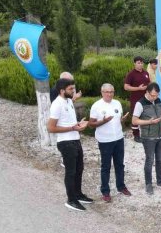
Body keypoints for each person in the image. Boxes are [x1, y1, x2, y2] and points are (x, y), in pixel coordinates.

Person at [46, 78, 93, 211]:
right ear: (62, 91)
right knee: (71, 172)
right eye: (71, 89)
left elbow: (68, 122)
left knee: (79, 169)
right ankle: (71, 200)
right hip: (66, 142)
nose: (74, 91)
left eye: (73, 88)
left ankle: (78, 194)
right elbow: (50, 128)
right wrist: (72, 128)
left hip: (75, 139)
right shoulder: (57, 104)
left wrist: (78, 124)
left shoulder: (68, 101)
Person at [88, 83, 132, 202]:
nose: (109, 94)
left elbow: (119, 120)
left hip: (118, 138)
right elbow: (91, 124)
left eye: (111, 92)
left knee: (120, 164)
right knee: (106, 166)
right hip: (105, 140)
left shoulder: (117, 103)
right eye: (107, 92)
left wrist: (122, 120)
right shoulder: (96, 106)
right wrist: (103, 121)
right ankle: (105, 191)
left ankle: (121, 186)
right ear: (102, 92)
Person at [132, 82, 161, 195]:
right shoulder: (140, 104)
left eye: (157, 95)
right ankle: (148, 184)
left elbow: (159, 115)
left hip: (160, 135)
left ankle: (160, 181)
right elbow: (134, 121)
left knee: (160, 160)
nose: (155, 97)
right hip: (148, 137)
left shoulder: (158, 101)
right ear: (147, 92)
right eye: (152, 95)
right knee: (149, 160)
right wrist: (149, 122)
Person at [124, 56, 151, 142]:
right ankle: (136, 135)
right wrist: (138, 88)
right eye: (138, 63)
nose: (140, 64)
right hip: (135, 99)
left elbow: (149, 84)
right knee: (136, 116)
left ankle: (146, 133)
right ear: (134, 63)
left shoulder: (146, 73)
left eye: (142, 63)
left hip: (146, 99)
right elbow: (126, 87)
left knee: (146, 116)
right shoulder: (131, 74)